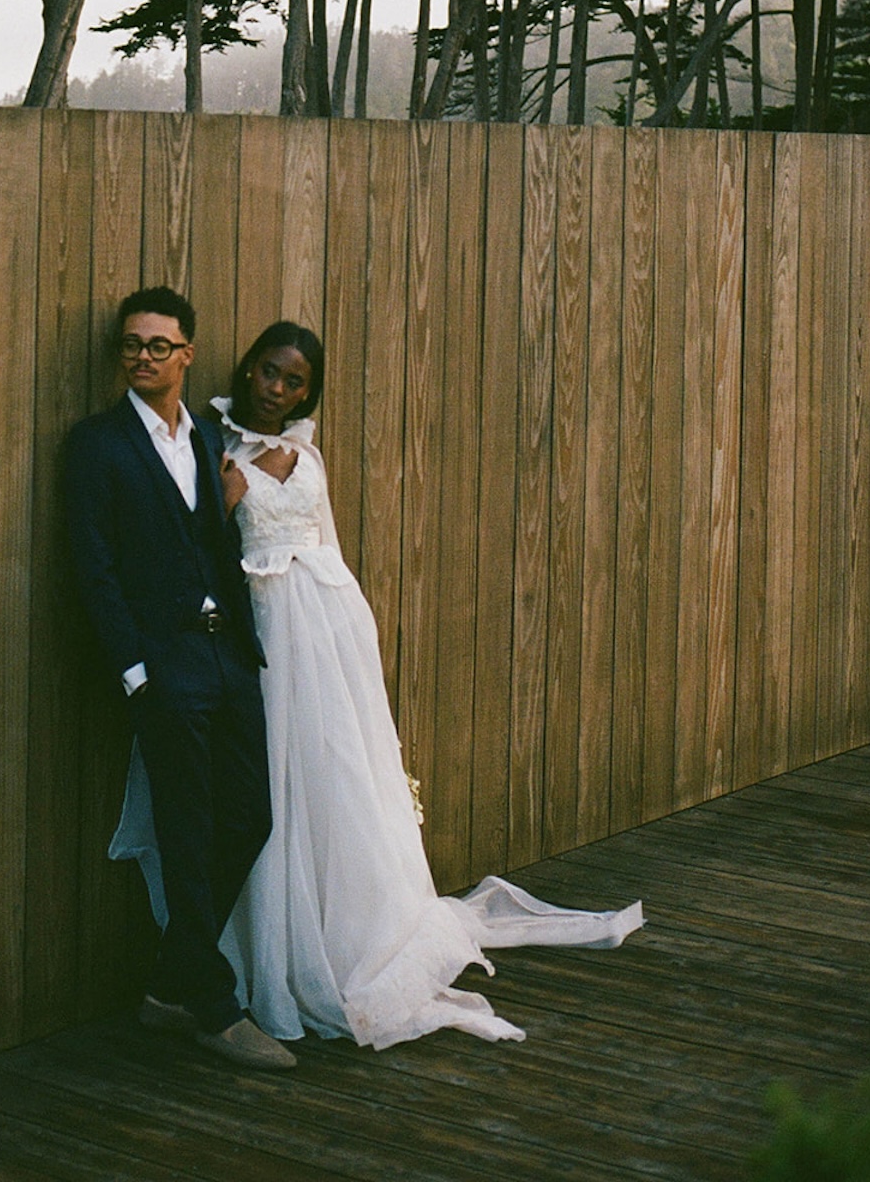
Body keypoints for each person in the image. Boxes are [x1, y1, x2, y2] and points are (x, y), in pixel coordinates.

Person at [203, 320, 644, 1049]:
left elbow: (326, 543)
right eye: (268, 373)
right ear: (248, 368)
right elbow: (212, 557)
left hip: (330, 623)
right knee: (284, 777)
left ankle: (366, 921)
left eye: (294, 382)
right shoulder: (215, 454)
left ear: (308, 392)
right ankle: (291, 944)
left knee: (346, 769)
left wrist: (355, 629)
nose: (276, 389)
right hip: (269, 626)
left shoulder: (305, 452)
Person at [64, 286, 297, 1071]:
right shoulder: (95, 444)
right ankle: (212, 1006)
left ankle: (170, 981)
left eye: (159, 345)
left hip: (226, 657)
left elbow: (205, 543)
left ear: (187, 355)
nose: (142, 356)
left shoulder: (202, 440)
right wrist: (134, 672)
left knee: (250, 817)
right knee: (187, 833)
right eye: (131, 345)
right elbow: (92, 569)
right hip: (163, 670)